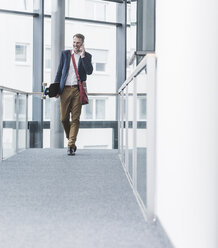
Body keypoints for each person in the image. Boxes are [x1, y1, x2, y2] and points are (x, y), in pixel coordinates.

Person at [54, 33, 93, 155]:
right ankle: (71, 137)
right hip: (65, 90)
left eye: (78, 43)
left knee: (75, 118)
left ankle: (70, 145)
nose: (76, 44)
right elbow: (59, 72)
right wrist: (56, 90)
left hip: (77, 90)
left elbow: (89, 71)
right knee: (64, 118)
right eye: (74, 42)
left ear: (82, 44)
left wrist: (83, 56)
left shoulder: (87, 56)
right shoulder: (65, 54)